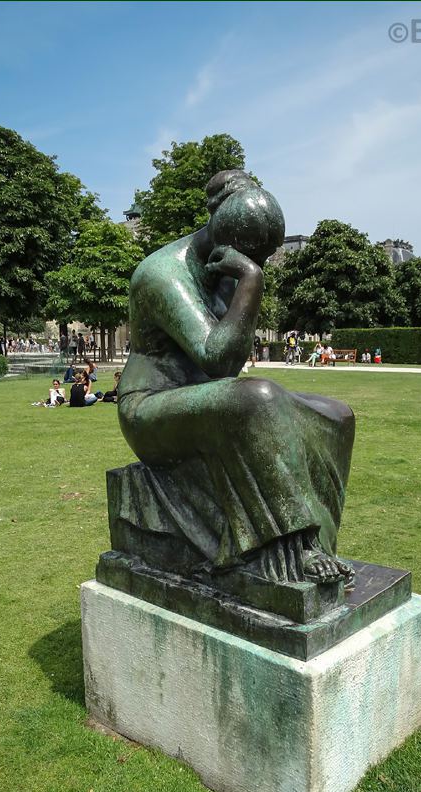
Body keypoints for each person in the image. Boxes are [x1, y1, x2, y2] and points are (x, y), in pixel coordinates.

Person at [117, 169, 356, 585]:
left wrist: (244, 278)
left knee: (337, 414)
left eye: (260, 259)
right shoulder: (162, 274)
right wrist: (251, 280)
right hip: (150, 406)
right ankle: (290, 552)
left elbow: (231, 355)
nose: (254, 266)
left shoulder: (228, 269)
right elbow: (220, 362)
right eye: (250, 258)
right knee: (258, 397)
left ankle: (318, 542)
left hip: (203, 396)